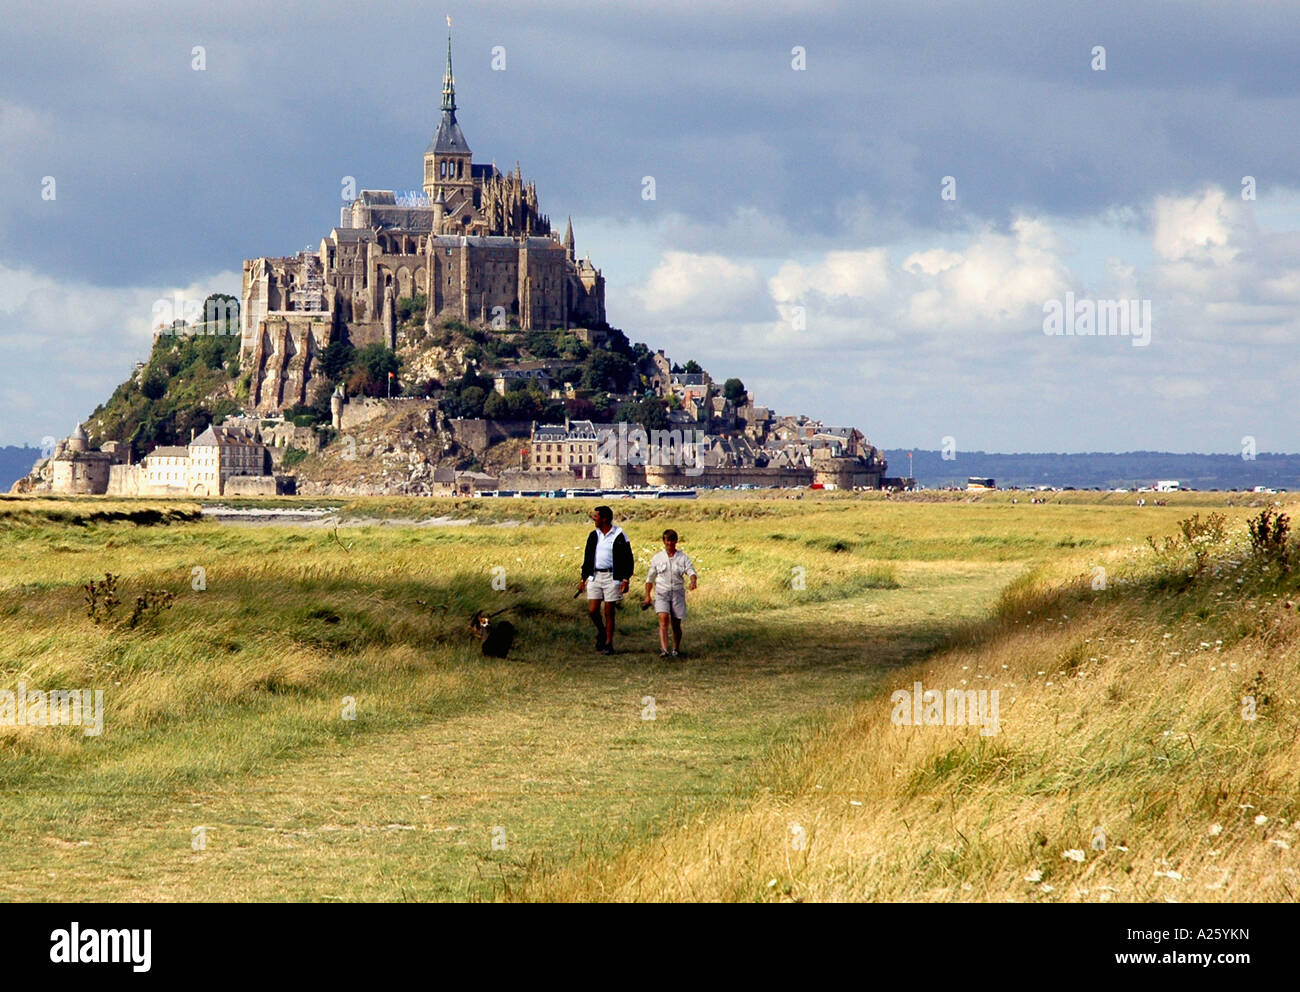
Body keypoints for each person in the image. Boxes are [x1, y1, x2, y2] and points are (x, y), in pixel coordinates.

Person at [579, 505, 634, 655]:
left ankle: (609, 643)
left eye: (596, 516)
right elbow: (588, 557)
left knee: (609, 611)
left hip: (612, 577)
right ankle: (602, 632)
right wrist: (583, 578)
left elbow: (628, 558)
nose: (593, 519)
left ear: (604, 518)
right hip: (595, 576)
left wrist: (625, 578)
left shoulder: (619, 534)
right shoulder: (593, 535)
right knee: (592, 611)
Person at [642, 528, 697, 658]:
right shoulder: (657, 558)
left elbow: (691, 571)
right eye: (667, 541)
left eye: (672, 540)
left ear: (676, 541)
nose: (670, 543)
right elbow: (650, 578)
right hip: (661, 592)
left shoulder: (682, 557)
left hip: (677, 592)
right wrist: (647, 596)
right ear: (664, 541)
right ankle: (664, 650)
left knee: (676, 623)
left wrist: (693, 581)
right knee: (663, 618)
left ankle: (676, 649)